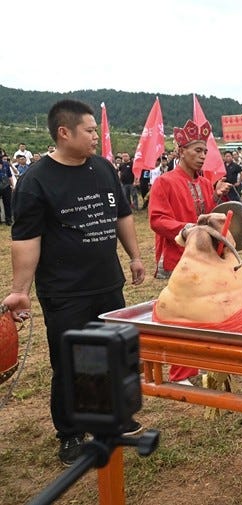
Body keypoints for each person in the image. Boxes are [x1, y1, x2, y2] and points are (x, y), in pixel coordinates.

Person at [1, 99, 146, 465]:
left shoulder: (102, 168)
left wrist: (134, 256)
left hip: (107, 283)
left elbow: (122, 216)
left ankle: (111, 418)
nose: (96, 136)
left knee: (113, 353)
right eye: (90, 130)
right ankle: (70, 433)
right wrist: (21, 291)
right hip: (65, 291)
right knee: (69, 362)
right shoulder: (36, 181)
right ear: (64, 133)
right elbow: (26, 240)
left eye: (96, 130)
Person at [148, 119, 231, 383]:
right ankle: (180, 372)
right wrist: (186, 229)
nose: (202, 156)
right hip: (180, 256)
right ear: (181, 150)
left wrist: (217, 199)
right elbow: (157, 219)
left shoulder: (205, 183)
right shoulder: (165, 182)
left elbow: (206, 215)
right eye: (197, 151)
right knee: (181, 315)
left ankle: (199, 363)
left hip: (205, 258)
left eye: (205, 152)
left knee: (203, 312)